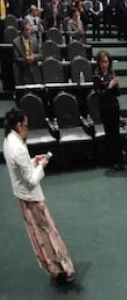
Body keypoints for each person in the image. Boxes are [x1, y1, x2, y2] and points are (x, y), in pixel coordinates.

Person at [3, 108, 75, 286]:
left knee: (39, 237)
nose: (27, 129)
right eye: (26, 126)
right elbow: (31, 180)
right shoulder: (18, 148)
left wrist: (33, 160)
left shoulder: (8, 140)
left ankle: (54, 269)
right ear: (19, 125)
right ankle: (63, 269)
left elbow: (21, 169)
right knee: (50, 235)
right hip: (32, 199)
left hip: (23, 198)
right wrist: (42, 165)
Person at [93, 51, 125, 170]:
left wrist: (115, 86)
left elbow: (118, 93)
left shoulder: (112, 73)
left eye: (106, 62)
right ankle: (111, 160)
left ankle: (120, 160)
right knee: (109, 134)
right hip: (104, 108)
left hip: (114, 106)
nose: (104, 64)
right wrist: (109, 86)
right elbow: (100, 95)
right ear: (99, 62)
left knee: (116, 134)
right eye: (102, 62)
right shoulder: (96, 76)